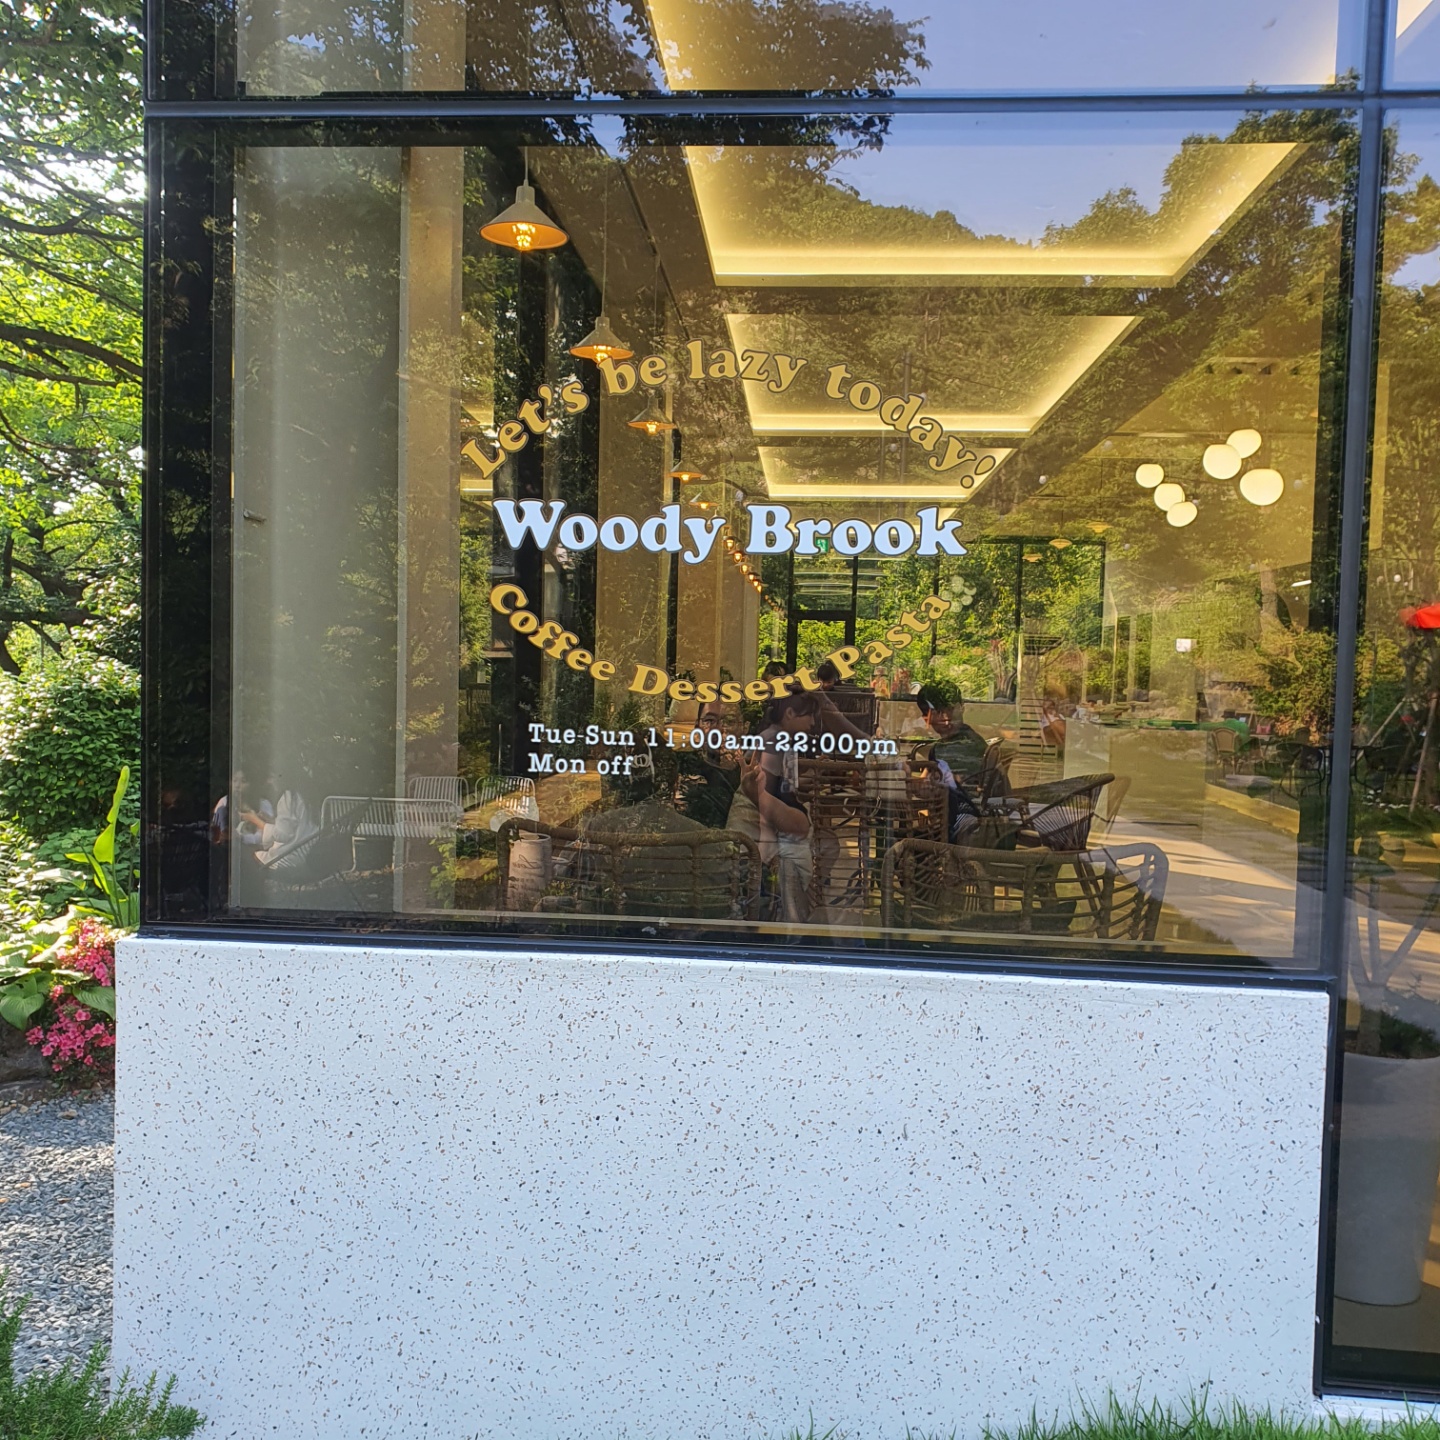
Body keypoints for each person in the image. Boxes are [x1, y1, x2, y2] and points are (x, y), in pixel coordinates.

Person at [242, 773, 318, 868]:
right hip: (307, 847)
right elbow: (292, 826)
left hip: (293, 854)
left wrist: (255, 820)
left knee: (245, 854)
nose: (269, 782)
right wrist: (270, 820)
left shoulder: (288, 797)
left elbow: (283, 835)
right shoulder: (300, 793)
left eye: (272, 777)